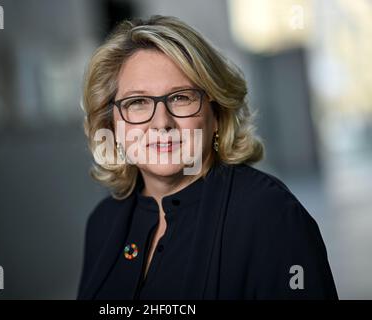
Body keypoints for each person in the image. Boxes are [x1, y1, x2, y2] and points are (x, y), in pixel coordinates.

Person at [77, 15, 337, 300]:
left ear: (217, 114)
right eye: (137, 102)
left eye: (181, 98)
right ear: (112, 123)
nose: (161, 123)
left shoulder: (270, 215)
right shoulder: (103, 223)